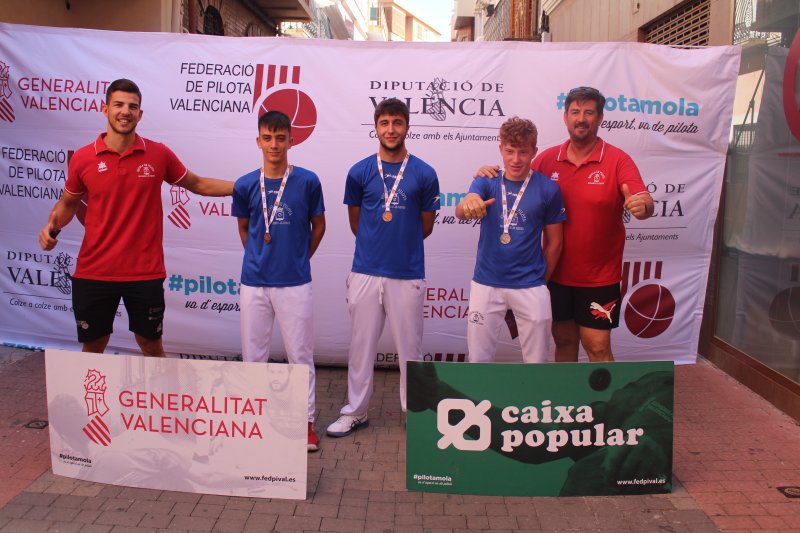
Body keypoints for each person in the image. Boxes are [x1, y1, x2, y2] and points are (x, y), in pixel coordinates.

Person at [37, 78, 233, 357]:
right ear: (104, 108)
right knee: (93, 347)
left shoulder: (158, 154)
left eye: (132, 106)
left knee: (152, 347)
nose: (125, 111)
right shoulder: (83, 158)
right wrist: (51, 226)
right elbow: (67, 203)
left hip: (144, 273)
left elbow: (198, 184)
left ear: (140, 114)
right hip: (94, 271)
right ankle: (89, 402)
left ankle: (158, 401)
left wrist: (243, 186)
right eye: (118, 104)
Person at [476, 87, 653, 362]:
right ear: (565, 117)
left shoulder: (618, 159)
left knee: (597, 346)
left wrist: (644, 206)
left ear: (600, 118)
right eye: (575, 112)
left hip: (599, 277)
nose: (581, 118)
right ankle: (567, 404)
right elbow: (514, 172)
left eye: (589, 112)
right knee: (564, 342)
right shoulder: (546, 160)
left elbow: (641, 198)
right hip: (555, 276)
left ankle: (607, 405)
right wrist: (485, 172)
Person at [327, 98, 440, 437]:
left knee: (411, 349)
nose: (391, 129)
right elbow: (355, 223)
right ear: (375, 127)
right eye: (385, 123)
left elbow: (426, 225)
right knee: (361, 346)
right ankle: (355, 411)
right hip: (365, 271)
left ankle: (415, 413)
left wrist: (398, 244)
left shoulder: (424, 173)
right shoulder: (359, 171)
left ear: (407, 126)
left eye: (397, 122)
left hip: (406, 274)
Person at [232, 110, 325, 452]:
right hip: (254, 282)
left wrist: (298, 258)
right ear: (259, 141)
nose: (274, 145)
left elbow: (320, 226)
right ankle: (255, 422)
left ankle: (306, 423)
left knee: (299, 356)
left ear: (291, 140)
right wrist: (260, 257)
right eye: (267, 138)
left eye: (280, 138)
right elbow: (245, 229)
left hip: (295, 282)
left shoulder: (308, 181)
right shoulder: (245, 184)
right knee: (253, 356)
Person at [456, 117, 565, 363]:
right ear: (500, 149)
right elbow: (461, 211)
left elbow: (555, 243)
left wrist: (539, 281)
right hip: (486, 283)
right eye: (510, 151)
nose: (516, 159)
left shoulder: (548, 189)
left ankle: (534, 402)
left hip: (530, 285)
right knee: (478, 360)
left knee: (537, 362)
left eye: (523, 152)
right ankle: (480, 402)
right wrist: (469, 201)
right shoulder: (486, 179)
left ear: (534, 151)